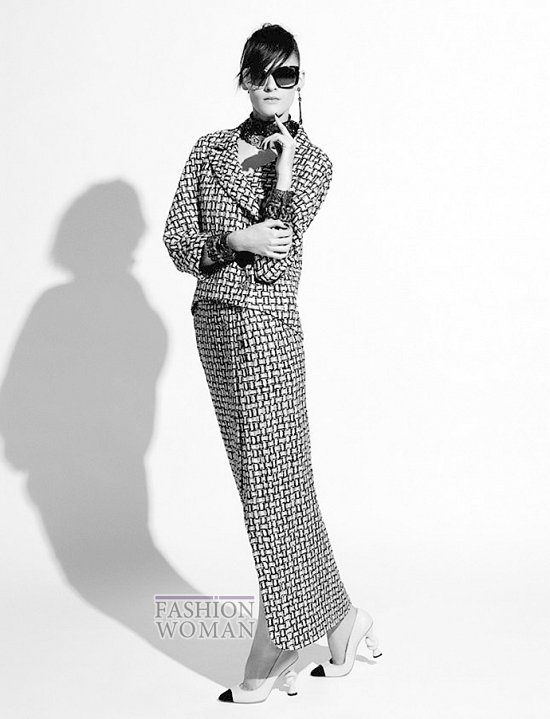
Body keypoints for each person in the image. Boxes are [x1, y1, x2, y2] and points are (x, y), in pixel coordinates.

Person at [162, 22, 382, 704]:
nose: (271, 86)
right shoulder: (207, 151)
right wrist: (235, 237)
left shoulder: (313, 164)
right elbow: (177, 242)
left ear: (299, 81)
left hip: (266, 331)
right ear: (244, 79)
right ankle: (341, 621)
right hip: (213, 327)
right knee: (275, 484)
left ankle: (280, 634)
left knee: (272, 488)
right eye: (260, 74)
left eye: (285, 75)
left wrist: (280, 178)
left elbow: (273, 263)